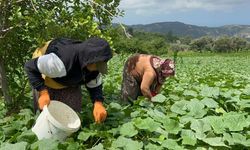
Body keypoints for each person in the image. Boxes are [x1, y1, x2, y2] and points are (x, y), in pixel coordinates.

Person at [24, 37, 112, 123]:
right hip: (46, 73)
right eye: (96, 65)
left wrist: (98, 103)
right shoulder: (59, 61)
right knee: (46, 113)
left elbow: (95, 84)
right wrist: (43, 92)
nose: (96, 69)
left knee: (73, 114)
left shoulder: (93, 68)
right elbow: (30, 67)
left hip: (69, 74)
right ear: (89, 59)